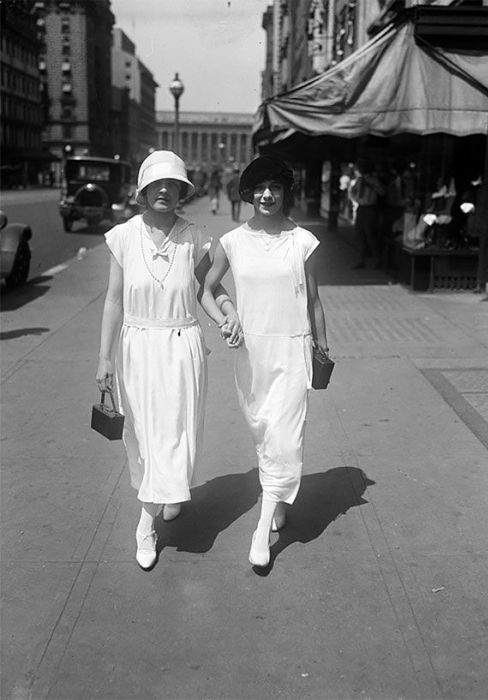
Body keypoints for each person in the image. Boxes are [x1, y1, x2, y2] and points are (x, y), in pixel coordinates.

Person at [96, 150, 240, 570]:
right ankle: (158, 503)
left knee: (176, 431)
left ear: (181, 192)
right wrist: (104, 358)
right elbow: (113, 301)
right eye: (155, 184)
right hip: (137, 346)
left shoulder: (194, 237)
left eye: (172, 185)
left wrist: (227, 315)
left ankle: (149, 518)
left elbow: (207, 289)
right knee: (144, 434)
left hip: (181, 345)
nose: (164, 190)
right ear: (143, 191)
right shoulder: (123, 236)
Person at [201, 155, 329, 568]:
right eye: (260, 188)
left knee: (285, 437)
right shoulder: (231, 242)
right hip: (251, 352)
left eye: (275, 188)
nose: (267, 195)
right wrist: (226, 318)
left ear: (285, 192)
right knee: (263, 432)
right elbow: (205, 289)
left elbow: (313, 300)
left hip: (293, 349)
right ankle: (277, 496)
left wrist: (323, 349)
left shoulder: (303, 241)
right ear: (249, 194)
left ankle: (261, 529)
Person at [348, 158, 387, 269]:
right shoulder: (359, 180)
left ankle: (378, 259)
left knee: (371, 234)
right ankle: (361, 260)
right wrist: (356, 199)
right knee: (359, 234)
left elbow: (382, 192)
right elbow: (353, 192)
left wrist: (373, 186)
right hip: (361, 208)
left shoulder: (373, 180)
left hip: (370, 208)